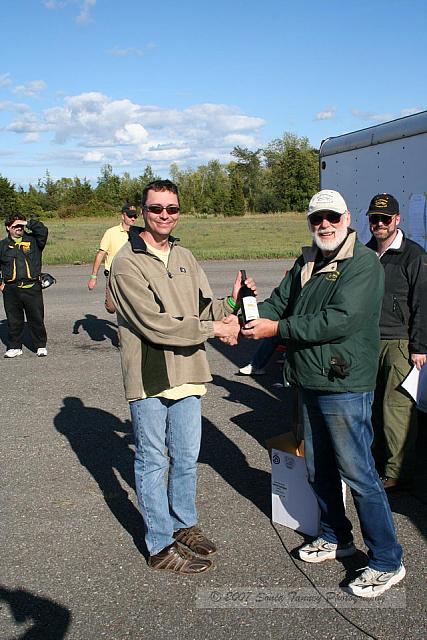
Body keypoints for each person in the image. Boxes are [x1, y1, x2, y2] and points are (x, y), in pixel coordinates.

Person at [241, 189, 405, 598]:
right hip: (309, 379)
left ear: (346, 218)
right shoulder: (307, 260)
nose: (325, 225)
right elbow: (279, 303)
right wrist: (244, 311)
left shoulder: (363, 263)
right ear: (310, 223)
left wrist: (277, 329)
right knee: (319, 469)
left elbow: (339, 320)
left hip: (343, 383)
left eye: (332, 217)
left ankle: (387, 560)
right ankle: (336, 536)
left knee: (360, 474)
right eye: (317, 219)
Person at [109, 179, 247, 575]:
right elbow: (155, 325)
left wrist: (232, 302)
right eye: (156, 208)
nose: (164, 215)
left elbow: (204, 307)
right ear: (142, 212)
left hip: (189, 370)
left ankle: (183, 523)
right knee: (153, 461)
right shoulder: (127, 262)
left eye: (172, 209)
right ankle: (159, 545)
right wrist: (215, 330)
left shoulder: (184, 255)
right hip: (151, 374)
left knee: (186, 457)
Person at [366, 193, 427, 491]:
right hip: (368, 341)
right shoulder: (365, 253)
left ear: (397, 219)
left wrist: (420, 347)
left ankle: (397, 472)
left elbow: (423, 303)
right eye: (375, 218)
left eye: (385, 218)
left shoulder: (413, 255)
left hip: (400, 343)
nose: (380, 224)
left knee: (397, 409)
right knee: (371, 407)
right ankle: (376, 463)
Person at [0, 213, 48, 358]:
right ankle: (15, 347)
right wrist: (1, 285)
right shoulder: (3, 245)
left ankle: (40, 346)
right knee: (14, 320)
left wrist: (26, 222)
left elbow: (43, 230)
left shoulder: (34, 241)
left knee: (36, 318)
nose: (19, 228)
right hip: (11, 289)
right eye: (15, 226)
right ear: (8, 228)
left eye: (21, 226)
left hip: (32, 287)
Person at [87, 204, 138, 291]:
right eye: (130, 216)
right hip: (113, 276)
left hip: (133, 276)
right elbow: (100, 254)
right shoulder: (111, 232)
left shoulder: (139, 233)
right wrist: (93, 277)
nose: (133, 219)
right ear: (123, 216)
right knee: (112, 300)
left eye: (135, 216)